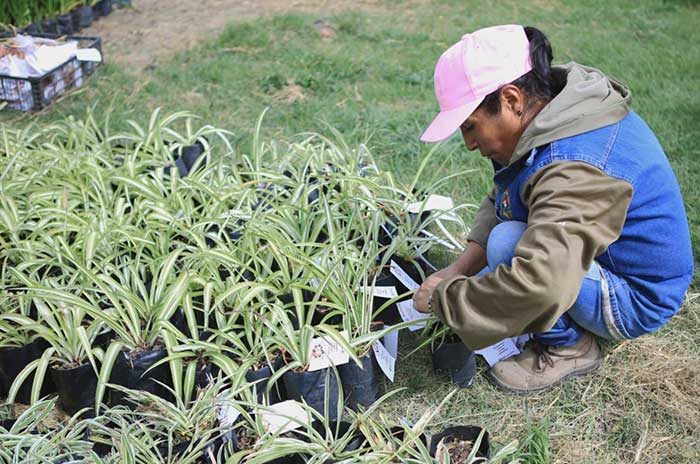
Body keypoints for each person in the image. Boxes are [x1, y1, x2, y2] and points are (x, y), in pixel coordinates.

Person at [412, 25, 694, 393]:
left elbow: (540, 286)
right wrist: (457, 270)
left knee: (508, 245)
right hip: (604, 257)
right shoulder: (550, 113)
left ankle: (570, 348)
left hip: (638, 296)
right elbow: (507, 194)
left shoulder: (571, 164)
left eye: (470, 126)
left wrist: (444, 300)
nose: (468, 144)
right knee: (506, 239)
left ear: (512, 98)